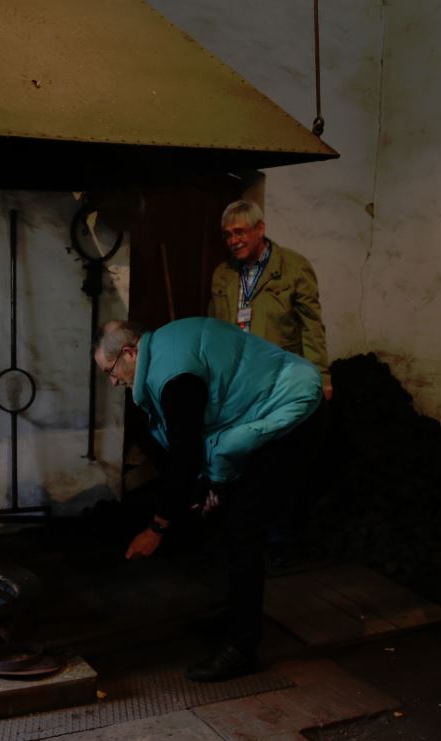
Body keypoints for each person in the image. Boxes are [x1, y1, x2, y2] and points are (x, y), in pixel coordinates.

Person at [94, 317, 325, 681]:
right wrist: (208, 487)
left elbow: (185, 457)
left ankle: (242, 647)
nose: (112, 381)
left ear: (129, 353)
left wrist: (157, 527)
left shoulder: (174, 377)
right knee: (227, 518)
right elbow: (205, 436)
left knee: (243, 528)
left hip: (290, 411)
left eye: (110, 371)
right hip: (262, 404)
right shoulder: (165, 348)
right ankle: (235, 614)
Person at [207, 199, 331, 398]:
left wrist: (320, 376)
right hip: (235, 379)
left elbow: (312, 327)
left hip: (281, 377)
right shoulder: (223, 274)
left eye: (239, 232)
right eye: (228, 235)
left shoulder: (294, 268)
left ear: (260, 229)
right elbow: (214, 329)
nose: (233, 241)